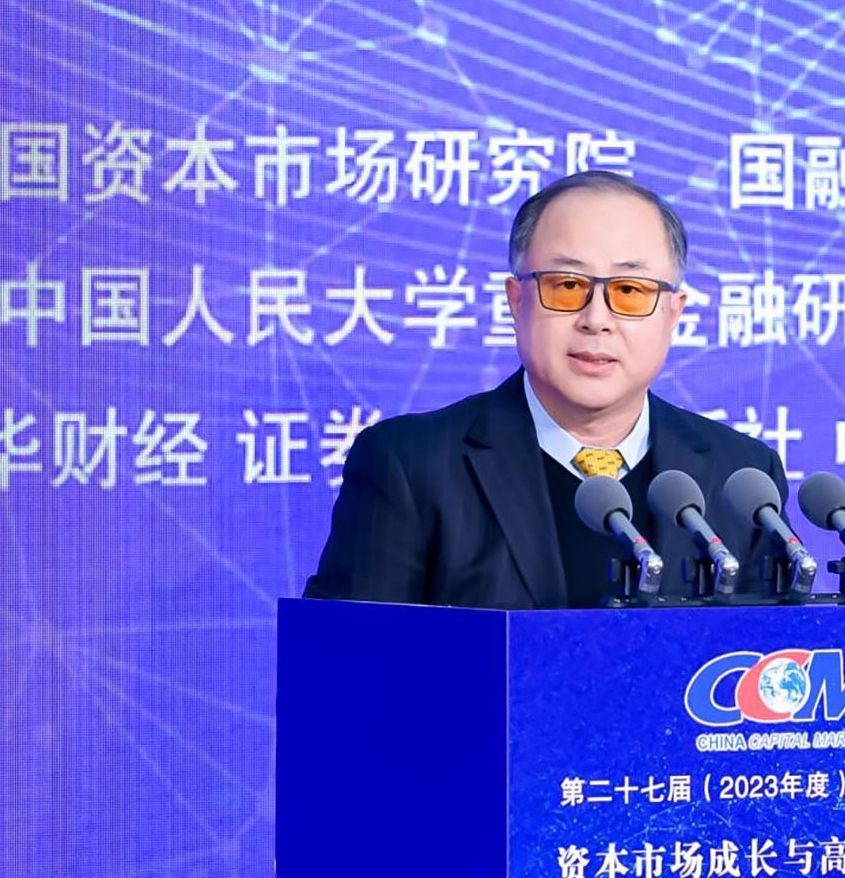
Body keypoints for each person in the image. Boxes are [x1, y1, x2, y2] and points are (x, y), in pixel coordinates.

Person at [304, 170, 789, 608]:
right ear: (516, 301)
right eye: (567, 286)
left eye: (629, 291)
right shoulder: (411, 466)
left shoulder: (741, 477)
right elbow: (349, 667)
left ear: (673, 312)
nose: (596, 319)